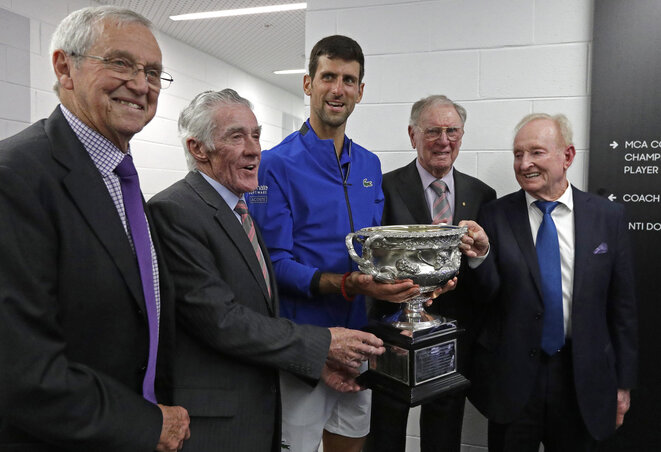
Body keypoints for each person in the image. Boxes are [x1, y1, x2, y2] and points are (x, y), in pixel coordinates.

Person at [148, 89, 387, 452]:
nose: (254, 149)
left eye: (256, 135)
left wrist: (312, 364)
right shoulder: (175, 210)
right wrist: (323, 345)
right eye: (236, 137)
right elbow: (220, 320)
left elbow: (260, 308)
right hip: (216, 419)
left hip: (258, 396)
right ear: (198, 149)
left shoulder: (239, 211)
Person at [0, 6, 190, 452]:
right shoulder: (16, 178)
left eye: (153, 72)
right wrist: (146, 424)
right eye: (120, 63)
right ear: (65, 68)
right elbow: (22, 371)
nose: (142, 85)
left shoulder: (119, 176)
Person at [248, 35, 424, 452]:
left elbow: (377, 252)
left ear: (361, 91)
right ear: (308, 83)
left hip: (360, 341)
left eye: (349, 80)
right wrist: (349, 284)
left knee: (351, 443)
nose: (338, 89)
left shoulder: (369, 164)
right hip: (306, 346)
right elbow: (273, 264)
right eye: (328, 76)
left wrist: (413, 286)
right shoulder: (273, 165)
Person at [467, 113, 637, 451]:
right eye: (518, 154)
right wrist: (479, 258)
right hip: (514, 380)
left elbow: (622, 308)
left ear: (568, 156)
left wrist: (623, 384)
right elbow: (485, 297)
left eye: (536, 152)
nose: (524, 163)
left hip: (582, 380)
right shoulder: (494, 216)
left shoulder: (607, 217)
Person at [365, 95, 496, 452]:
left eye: (452, 130)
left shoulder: (483, 194)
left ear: (462, 135)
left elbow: (486, 276)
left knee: (444, 434)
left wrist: (480, 255)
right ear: (412, 135)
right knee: (385, 432)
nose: (444, 140)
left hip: (454, 337)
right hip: (393, 333)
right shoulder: (383, 187)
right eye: (433, 131)